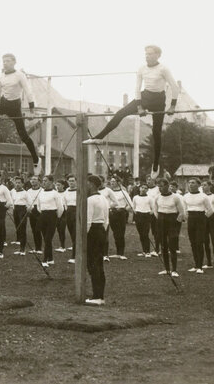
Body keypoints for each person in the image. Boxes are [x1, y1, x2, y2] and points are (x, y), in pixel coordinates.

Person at [83, 45, 179, 179]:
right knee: (120, 113)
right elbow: (137, 88)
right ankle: (98, 137)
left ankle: (156, 163)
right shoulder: (141, 68)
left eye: (150, 54)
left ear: (158, 55)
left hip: (158, 100)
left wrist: (172, 106)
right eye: (146, 54)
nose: (147, 56)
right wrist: (139, 107)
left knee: (156, 132)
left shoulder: (164, 69)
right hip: (145, 97)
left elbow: (175, 87)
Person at [151, 178, 186, 277]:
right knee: (163, 246)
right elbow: (155, 211)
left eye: (162, 186)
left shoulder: (175, 197)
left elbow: (181, 213)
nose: (160, 188)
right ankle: (167, 269)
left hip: (172, 221)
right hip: (161, 221)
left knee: (172, 246)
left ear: (167, 186)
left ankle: (174, 270)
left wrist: (175, 223)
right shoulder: (157, 197)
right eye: (159, 186)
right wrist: (160, 220)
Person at [85, 175, 110, 306]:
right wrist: (103, 233)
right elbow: (106, 221)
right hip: (101, 230)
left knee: (93, 264)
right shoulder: (104, 199)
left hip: (93, 231)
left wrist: (84, 238)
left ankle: (97, 296)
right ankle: (100, 295)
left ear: (92, 185)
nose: (85, 186)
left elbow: (88, 222)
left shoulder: (90, 200)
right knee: (99, 264)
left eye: (87, 184)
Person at [182, 178, 214, 274]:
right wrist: (187, 218)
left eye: (193, 183)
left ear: (198, 185)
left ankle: (200, 266)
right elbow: (184, 209)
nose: (190, 184)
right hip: (191, 219)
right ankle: (196, 265)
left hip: (201, 219)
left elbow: (210, 210)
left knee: (199, 242)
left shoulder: (204, 196)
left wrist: (203, 218)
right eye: (189, 182)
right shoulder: (186, 196)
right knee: (193, 242)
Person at [37, 175, 64, 267]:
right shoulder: (40, 193)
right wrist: (43, 213)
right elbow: (38, 206)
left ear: (51, 182)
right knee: (46, 239)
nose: (43, 182)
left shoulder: (55, 193)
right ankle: (51, 259)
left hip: (52, 217)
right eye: (43, 181)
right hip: (43, 216)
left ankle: (45, 260)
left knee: (48, 239)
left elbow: (60, 208)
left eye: (46, 181)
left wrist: (56, 217)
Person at [107, 177, 132, 260]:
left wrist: (124, 210)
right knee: (115, 233)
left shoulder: (123, 192)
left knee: (121, 233)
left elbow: (130, 204)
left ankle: (121, 253)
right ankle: (118, 253)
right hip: (112, 213)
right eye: (111, 181)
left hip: (121, 213)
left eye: (114, 181)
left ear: (118, 182)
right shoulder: (109, 192)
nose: (112, 183)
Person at [202, 181, 214, 270]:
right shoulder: (201, 196)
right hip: (203, 220)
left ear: (210, 186)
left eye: (205, 185)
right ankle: (209, 262)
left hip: (212, 220)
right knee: (205, 241)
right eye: (202, 185)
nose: (203, 186)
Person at [132, 184, 154, 258]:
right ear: (139, 188)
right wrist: (135, 211)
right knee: (141, 234)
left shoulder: (150, 198)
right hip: (138, 216)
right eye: (142, 188)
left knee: (145, 233)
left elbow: (153, 208)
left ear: (147, 190)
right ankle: (144, 251)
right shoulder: (135, 197)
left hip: (146, 216)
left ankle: (148, 251)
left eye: (145, 188)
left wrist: (150, 213)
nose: (143, 189)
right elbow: (133, 207)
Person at [10, 179, 29, 256]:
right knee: (18, 227)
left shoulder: (25, 193)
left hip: (23, 210)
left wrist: (26, 211)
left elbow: (30, 203)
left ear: (22, 184)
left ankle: (23, 249)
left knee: (22, 229)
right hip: (15, 210)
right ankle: (20, 247)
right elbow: (10, 199)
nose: (17, 184)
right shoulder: (12, 191)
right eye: (16, 183)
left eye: (19, 183)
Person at [63, 175, 78, 264]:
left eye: (73, 181)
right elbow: (64, 202)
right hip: (69, 212)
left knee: (76, 234)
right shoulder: (66, 191)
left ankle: (74, 256)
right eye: (70, 181)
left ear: (76, 181)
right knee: (72, 233)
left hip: (77, 211)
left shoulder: (79, 190)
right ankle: (76, 249)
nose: (71, 182)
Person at [54, 179, 69, 253]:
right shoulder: (55, 193)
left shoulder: (66, 193)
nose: (57, 186)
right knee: (59, 229)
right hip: (56, 212)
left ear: (63, 185)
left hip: (64, 213)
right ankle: (62, 245)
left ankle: (63, 246)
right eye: (56, 185)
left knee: (62, 229)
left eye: (59, 185)